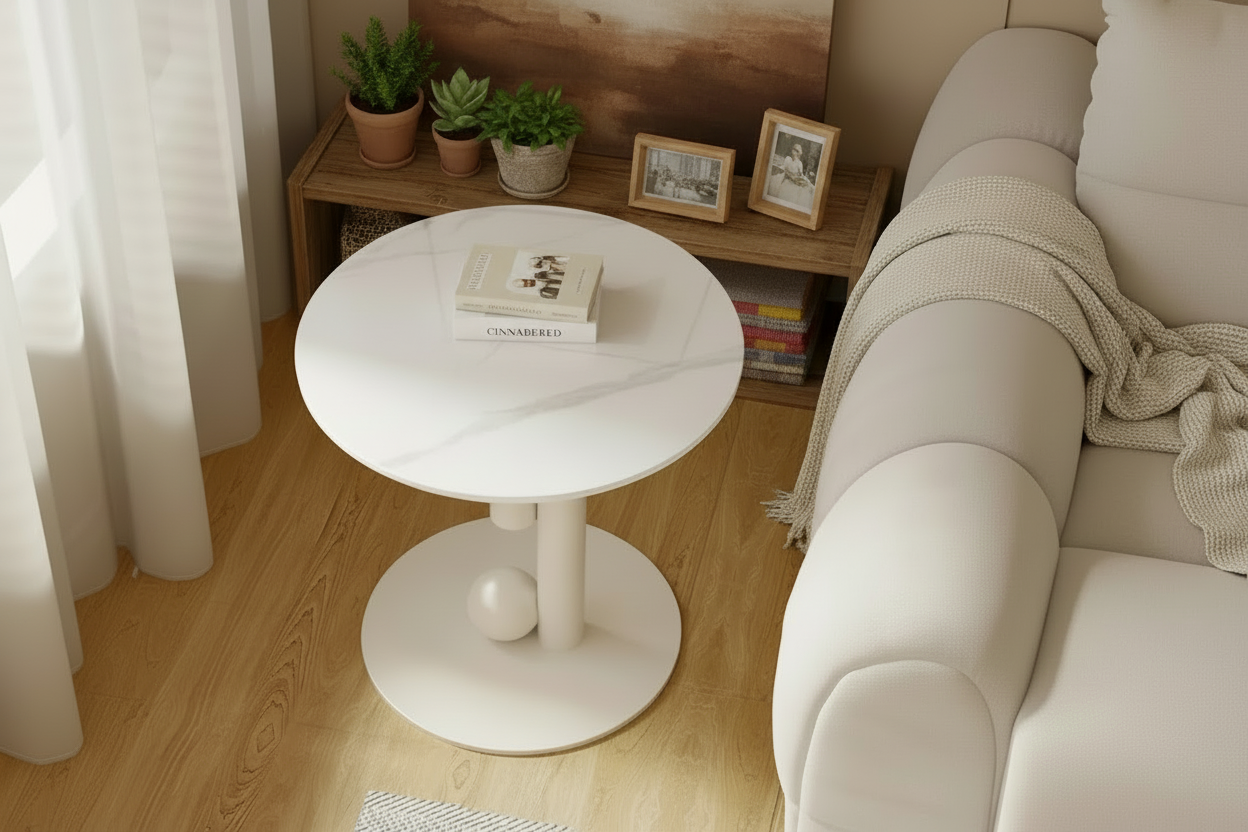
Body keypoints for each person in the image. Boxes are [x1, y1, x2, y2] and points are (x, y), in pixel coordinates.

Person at [767, 141, 815, 211]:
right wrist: (789, 174)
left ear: (798, 153)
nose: (794, 152)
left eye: (796, 151)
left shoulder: (799, 163)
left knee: (804, 188)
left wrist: (799, 178)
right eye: (793, 150)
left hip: (794, 179)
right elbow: (785, 168)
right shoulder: (788, 159)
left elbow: (800, 174)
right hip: (787, 178)